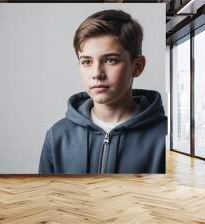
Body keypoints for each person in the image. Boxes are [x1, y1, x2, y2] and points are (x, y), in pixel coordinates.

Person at [38, 9, 167, 174]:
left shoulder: (164, 136)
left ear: (137, 66)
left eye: (110, 60)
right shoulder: (58, 135)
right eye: (86, 62)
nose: (97, 73)